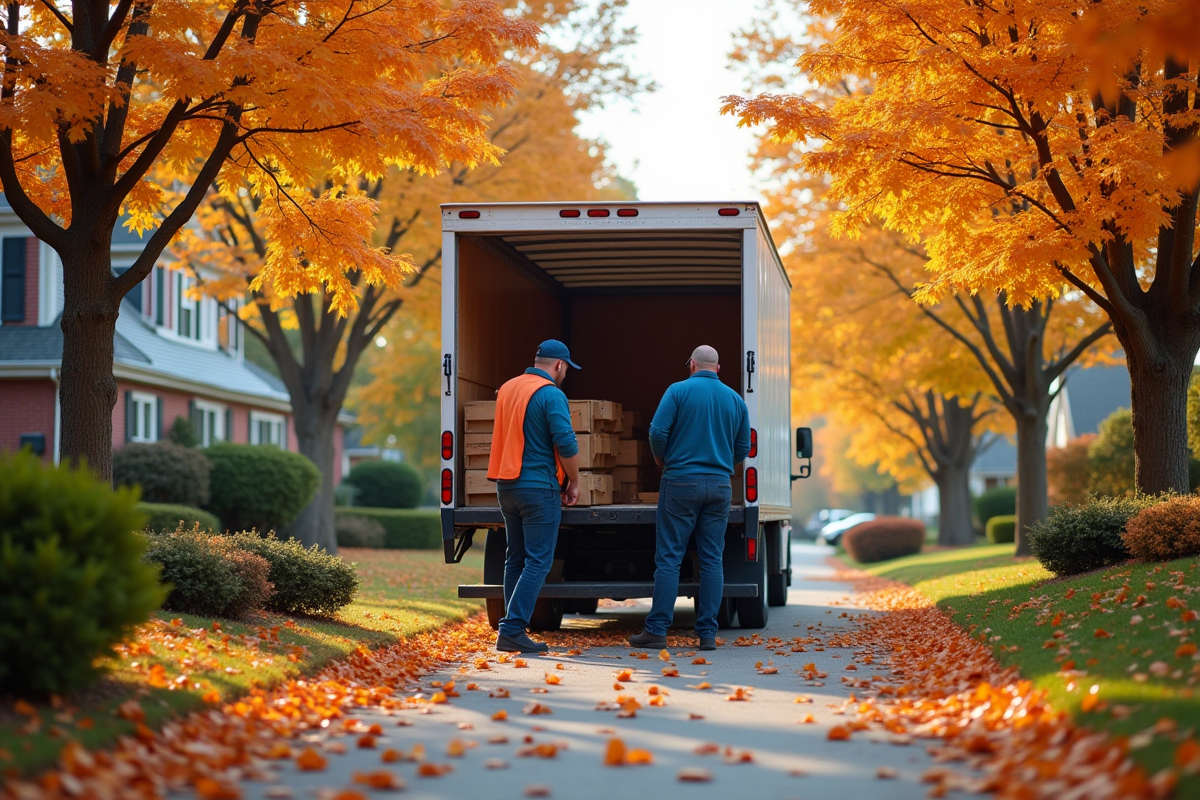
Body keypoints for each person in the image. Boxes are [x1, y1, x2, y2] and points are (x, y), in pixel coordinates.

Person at [629, 345, 750, 652]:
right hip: (720, 486)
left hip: (680, 481)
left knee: (669, 557)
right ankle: (707, 634)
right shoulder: (736, 400)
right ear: (718, 368)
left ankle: (656, 631)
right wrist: (724, 463)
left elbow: (657, 431)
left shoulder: (677, 391)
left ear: (692, 365)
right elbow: (743, 446)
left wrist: (663, 460)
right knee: (712, 559)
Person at [487, 339, 581, 653]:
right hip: (538, 488)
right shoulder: (551, 394)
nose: (565, 374)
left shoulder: (508, 388)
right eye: (566, 369)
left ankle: (510, 628)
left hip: (506, 485)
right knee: (539, 561)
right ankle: (512, 629)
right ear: (558, 365)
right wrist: (574, 482)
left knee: (515, 558)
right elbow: (566, 443)